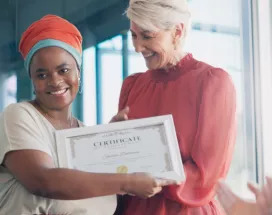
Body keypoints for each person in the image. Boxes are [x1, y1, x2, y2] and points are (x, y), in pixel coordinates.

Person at [0, 14, 176, 215]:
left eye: (63, 70)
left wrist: (111, 143)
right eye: (42, 74)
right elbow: (44, 182)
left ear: (78, 73)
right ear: (32, 79)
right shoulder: (19, 116)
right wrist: (128, 182)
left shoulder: (83, 136)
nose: (55, 81)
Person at [116, 0, 237, 214]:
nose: (137, 48)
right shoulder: (132, 86)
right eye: (133, 36)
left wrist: (148, 179)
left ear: (177, 31)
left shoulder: (212, 83)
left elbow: (206, 176)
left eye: (147, 35)